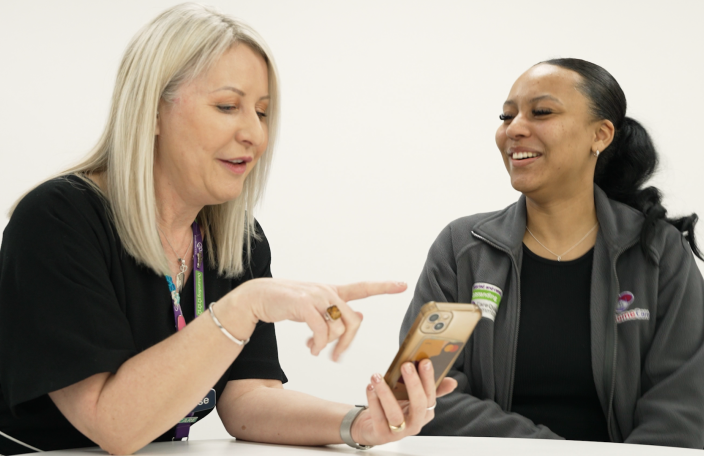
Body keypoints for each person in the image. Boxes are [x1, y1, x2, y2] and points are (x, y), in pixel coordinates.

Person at [0, 4, 455, 455]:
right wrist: (242, 308)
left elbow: (248, 400)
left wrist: (359, 424)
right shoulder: (57, 221)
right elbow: (113, 425)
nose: (255, 134)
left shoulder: (238, 239)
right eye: (227, 106)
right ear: (151, 111)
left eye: (261, 112)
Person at [401, 58, 704, 447]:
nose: (513, 129)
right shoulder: (463, 248)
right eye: (506, 116)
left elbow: (676, 417)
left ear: (600, 135)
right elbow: (422, 392)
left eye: (542, 112)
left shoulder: (657, 252)